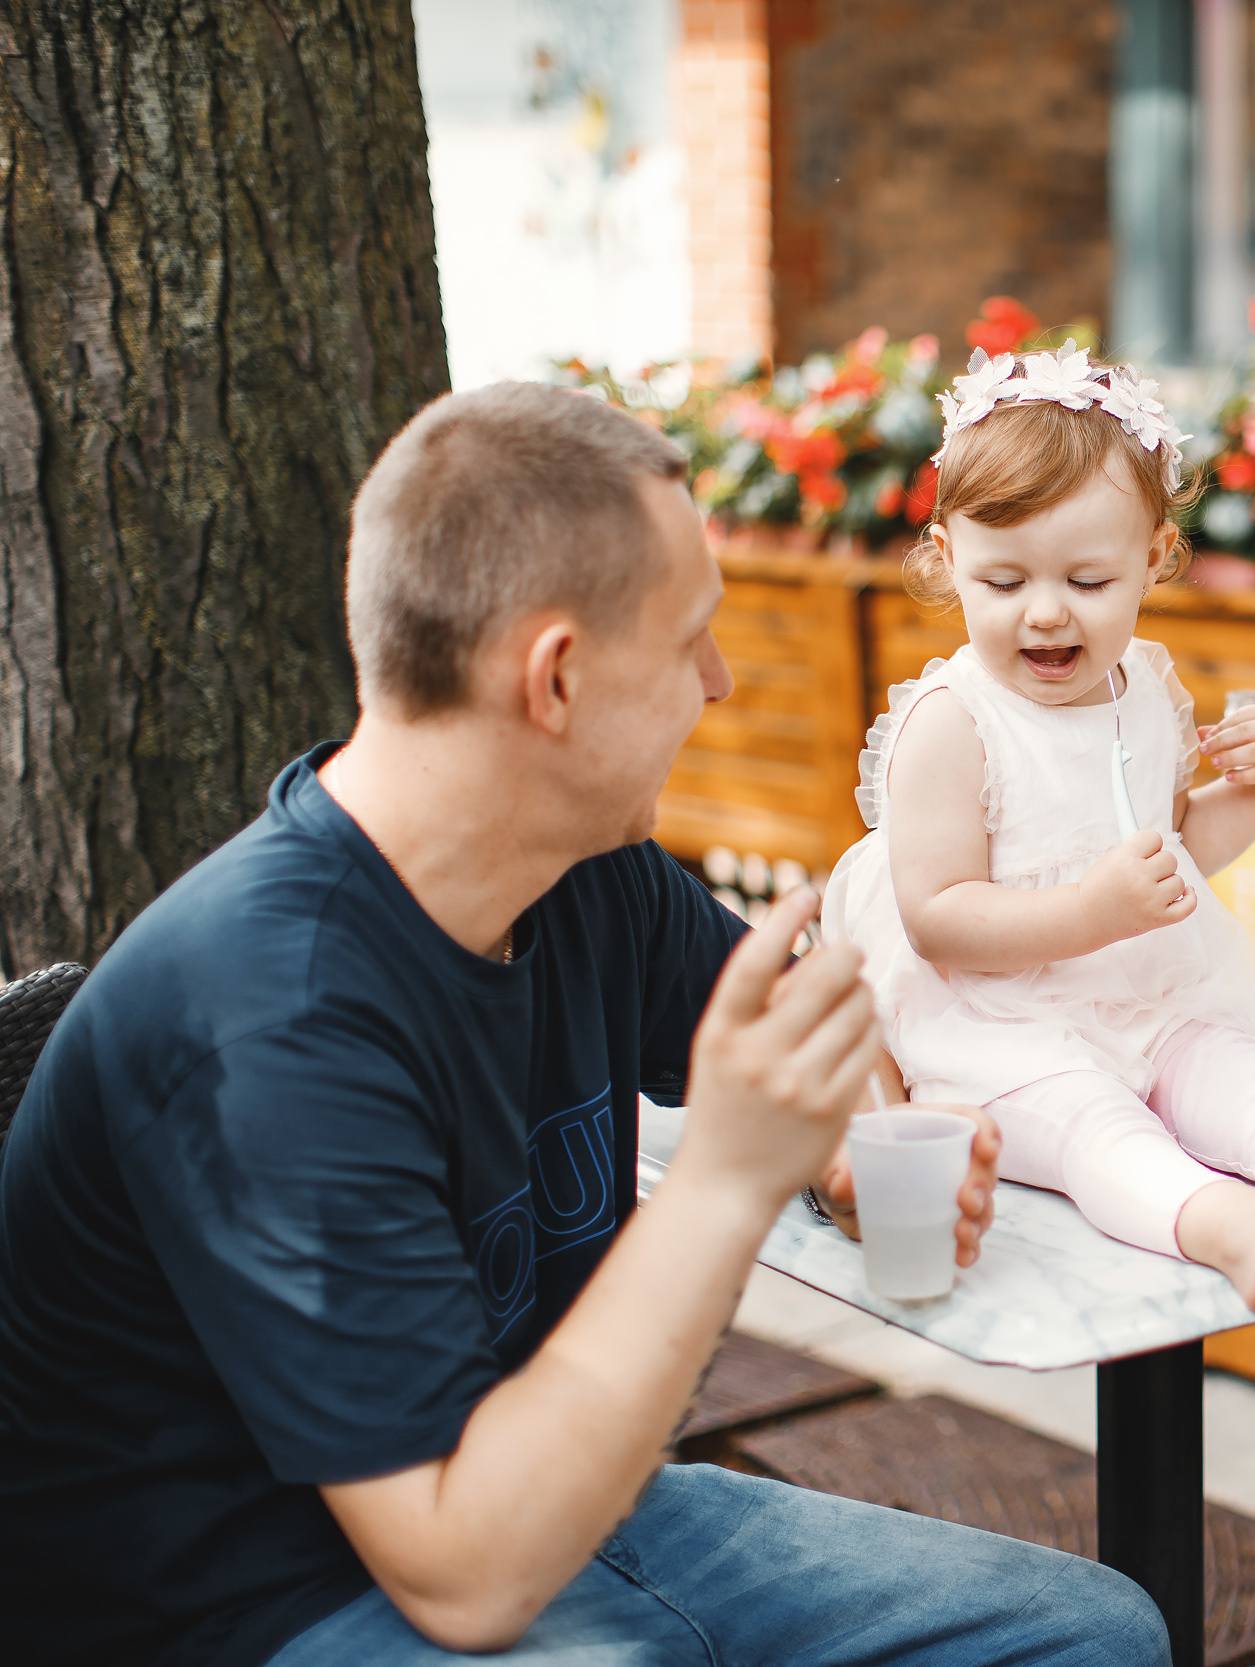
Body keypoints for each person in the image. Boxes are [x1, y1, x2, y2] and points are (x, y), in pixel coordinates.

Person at [0, 384, 1171, 1667]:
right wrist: (729, 1176)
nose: (719, 686)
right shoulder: (265, 1021)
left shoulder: (587, 872)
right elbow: (466, 1580)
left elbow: (816, 1043)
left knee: (1091, 1635)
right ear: (556, 680)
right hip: (262, 1602)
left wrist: (855, 1144)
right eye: (690, 644)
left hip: (558, 1491)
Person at [821, 343, 1255, 1317]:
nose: (1044, 614)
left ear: (1153, 560)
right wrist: (1089, 910)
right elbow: (937, 918)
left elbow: (1164, 858)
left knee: (1242, 1081)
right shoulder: (953, 724)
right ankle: (1232, 1230)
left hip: (1147, 997)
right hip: (1001, 1037)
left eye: (1087, 581)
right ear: (950, 564)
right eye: (1003, 584)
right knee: (1096, 1131)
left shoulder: (1144, 692)